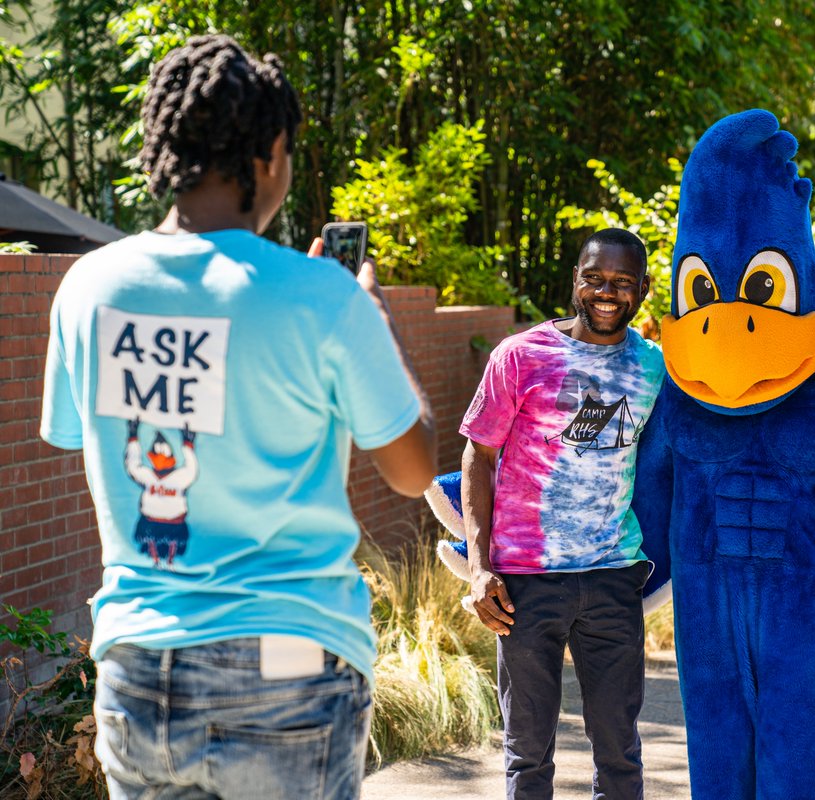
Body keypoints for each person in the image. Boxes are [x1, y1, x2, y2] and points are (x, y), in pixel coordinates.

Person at [39, 35, 436, 799]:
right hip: (289, 659)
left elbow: (76, 436)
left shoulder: (87, 289)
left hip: (138, 664)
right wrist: (375, 319)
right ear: (268, 154)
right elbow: (413, 471)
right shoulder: (324, 295)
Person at [461, 228, 665, 800]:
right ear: (575, 280)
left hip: (612, 575)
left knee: (620, 752)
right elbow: (478, 455)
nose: (607, 292)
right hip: (526, 582)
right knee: (527, 755)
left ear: (643, 289)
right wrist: (481, 568)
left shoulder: (655, 369)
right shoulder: (521, 356)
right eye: (594, 278)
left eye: (623, 283)